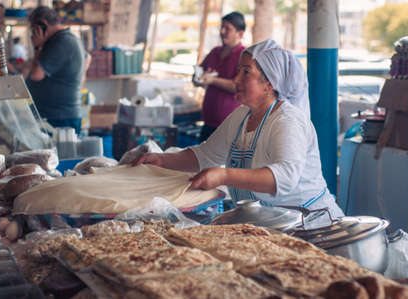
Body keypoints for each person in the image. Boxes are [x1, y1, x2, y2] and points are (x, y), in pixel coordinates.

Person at [135, 39, 344, 225]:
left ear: (269, 83)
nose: (236, 79)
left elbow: (285, 177)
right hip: (269, 225)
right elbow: (205, 155)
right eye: (238, 71)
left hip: (311, 226)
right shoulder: (242, 116)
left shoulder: (287, 121)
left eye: (246, 72)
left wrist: (224, 175)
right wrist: (161, 160)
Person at [25, 6, 88, 134]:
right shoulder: (66, 38)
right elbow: (88, 58)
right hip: (59, 115)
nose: (32, 35)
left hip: (59, 117)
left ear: (43, 24)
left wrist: (37, 47)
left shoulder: (61, 41)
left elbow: (35, 75)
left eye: (33, 30)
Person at [195, 11, 246, 142]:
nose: (222, 31)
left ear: (240, 33)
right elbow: (198, 73)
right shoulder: (214, 52)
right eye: (221, 28)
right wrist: (198, 79)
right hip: (208, 122)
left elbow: (238, 86)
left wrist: (212, 80)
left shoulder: (244, 56)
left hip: (230, 125)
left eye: (227, 29)